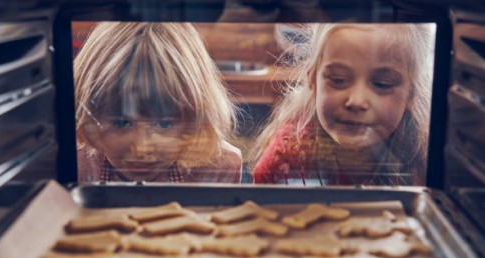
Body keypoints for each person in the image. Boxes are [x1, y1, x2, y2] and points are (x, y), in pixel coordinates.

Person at [250, 23, 435, 186]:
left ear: (411, 93)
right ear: (313, 81)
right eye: (338, 80)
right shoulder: (285, 159)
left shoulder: (426, 157)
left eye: (382, 84)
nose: (356, 101)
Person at [74, 22, 242, 183]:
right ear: (89, 116)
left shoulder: (220, 167)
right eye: (121, 123)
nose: (142, 147)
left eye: (163, 124)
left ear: (196, 115)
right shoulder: (74, 164)